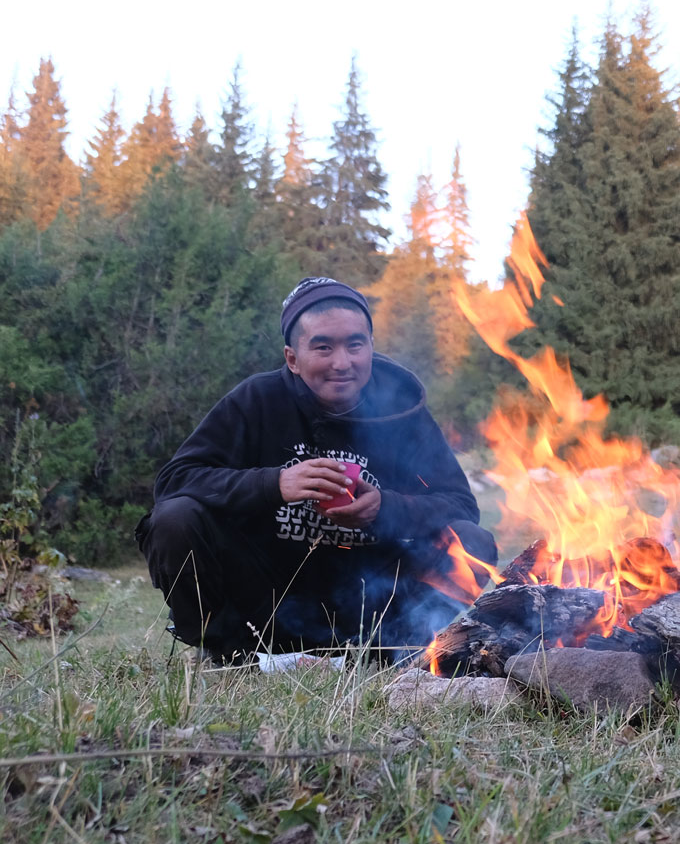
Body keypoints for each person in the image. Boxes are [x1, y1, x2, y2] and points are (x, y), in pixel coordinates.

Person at [136, 276, 498, 662]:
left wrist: (386, 509)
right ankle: (226, 650)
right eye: (323, 347)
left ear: (371, 347)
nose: (342, 363)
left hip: (370, 602)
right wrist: (273, 483)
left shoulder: (402, 411)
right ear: (292, 358)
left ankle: (400, 651)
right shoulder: (257, 400)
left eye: (355, 345)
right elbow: (175, 480)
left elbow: (459, 503)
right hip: (264, 597)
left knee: (470, 541)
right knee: (175, 518)